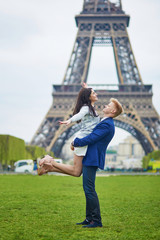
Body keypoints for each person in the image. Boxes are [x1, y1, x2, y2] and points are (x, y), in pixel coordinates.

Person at [39, 98, 123, 228]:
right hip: (91, 156)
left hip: (92, 158)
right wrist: (86, 93)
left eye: (109, 105)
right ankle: (89, 218)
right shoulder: (105, 122)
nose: (105, 105)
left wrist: (75, 142)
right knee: (87, 188)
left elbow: (92, 138)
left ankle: (96, 220)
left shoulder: (107, 124)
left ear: (112, 111)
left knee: (89, 189)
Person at [38, 86, 99, 176]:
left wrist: (86, 89)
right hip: (82, 140)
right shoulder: (86, 108)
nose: (96, 94)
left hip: (86, 140)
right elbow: (80, 114)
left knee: (77, 172)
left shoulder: (91, 108)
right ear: (88, 97)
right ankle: (50, 161)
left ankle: (49, 168)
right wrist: (69, 120)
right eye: (93, 93)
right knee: (76, 172)